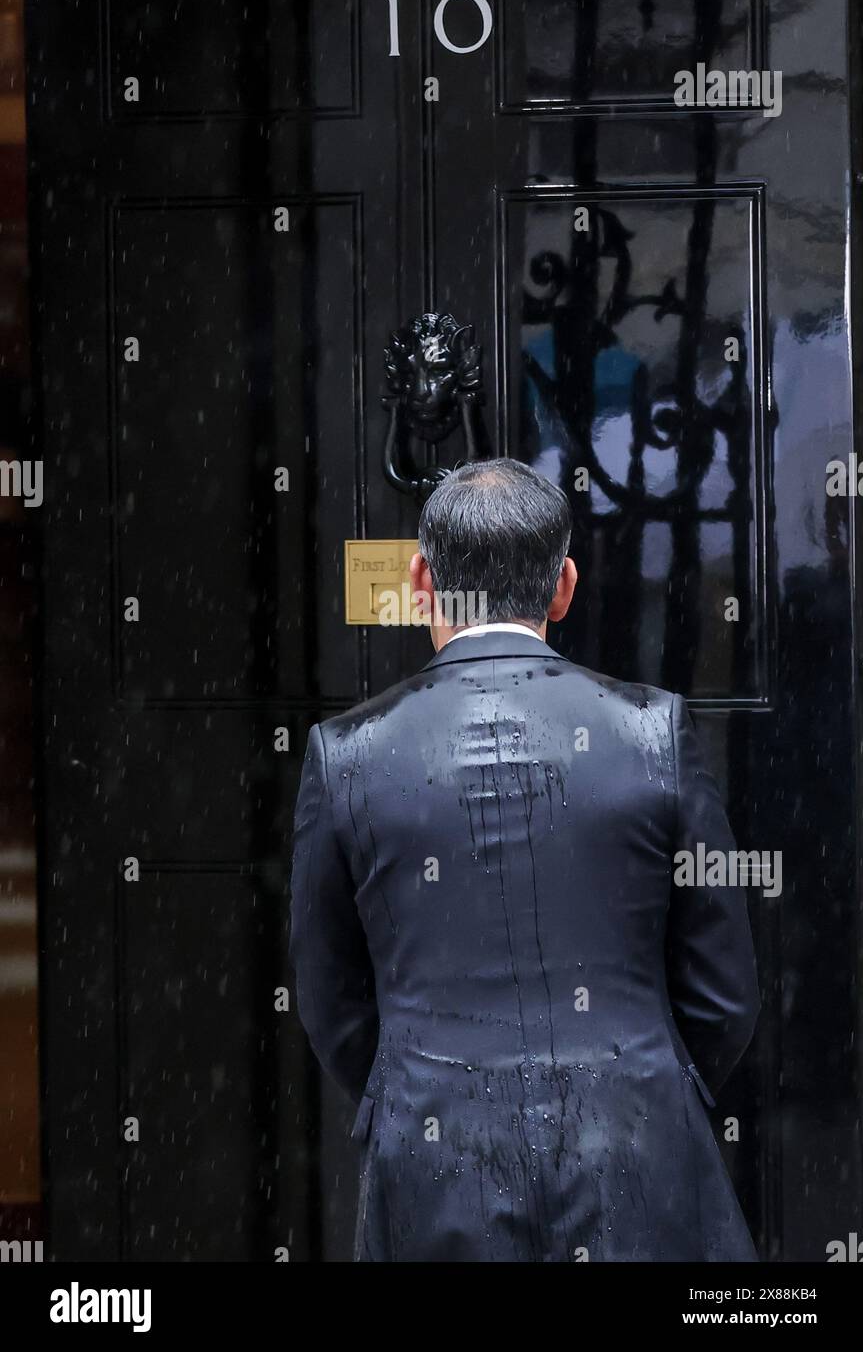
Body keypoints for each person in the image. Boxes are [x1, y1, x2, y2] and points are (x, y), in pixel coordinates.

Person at [289, 458, 761, 1262]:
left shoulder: (346, 755)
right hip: (636, 1163)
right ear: (563, 585)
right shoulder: (655, 732)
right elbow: (721, 997)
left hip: (433, 1172)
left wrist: (422, 1092)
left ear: (420, 582)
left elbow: (331, 1006)